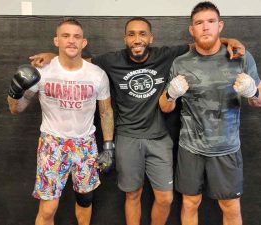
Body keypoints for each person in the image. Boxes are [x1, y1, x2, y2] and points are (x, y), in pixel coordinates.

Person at [30, 17, 245, 225]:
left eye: (142, 34)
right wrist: (53, 55)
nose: (137, 39)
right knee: (132, 195)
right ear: (125, 39)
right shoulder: (111, 60)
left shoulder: (165, 55)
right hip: (128, 137)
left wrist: (228, 41)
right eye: (131, 34)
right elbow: (77, 60)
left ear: (151, 38)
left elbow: (200, 44)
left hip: (159, 138)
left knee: (165, 198)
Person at [159, 2, 261, 225]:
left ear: (220, 25)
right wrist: (170, 94)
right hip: (190, 148)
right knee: (190, 203)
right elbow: (164, 106)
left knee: (230, 206)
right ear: (192, 30)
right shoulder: (180, 63)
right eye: (199, 23)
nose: (205, 27)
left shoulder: (240, 57)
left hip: (227, 148)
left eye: (210, 22)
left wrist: (253, 91)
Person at [7, 18, 114, 225]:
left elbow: (106, 112)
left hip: (85, 144)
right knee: (48, 208)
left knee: (85, 200)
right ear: (56, 41)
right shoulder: (42, 71)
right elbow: (15, 109)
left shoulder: (97, 75)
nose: (71, 41)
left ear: (84, 42)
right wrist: (15, 92)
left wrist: (108, 147)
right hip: (52, 144)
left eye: (76, 36)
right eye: (65, 36)